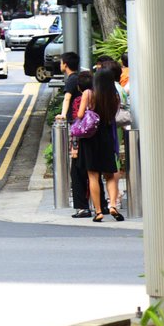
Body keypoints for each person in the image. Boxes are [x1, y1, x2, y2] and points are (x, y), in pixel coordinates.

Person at [75, 66, 123, 222]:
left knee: (93, 176)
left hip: (90, 138)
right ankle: (113, 205)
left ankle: (98, 211)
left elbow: (81, 114)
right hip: (107, 136)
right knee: (109, 175)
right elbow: (113, 115)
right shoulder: (114, 97)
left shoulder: (89, 94)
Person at [58, 53, 102, 219]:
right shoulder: (97, 93)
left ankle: (83, 207)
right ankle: (100, 205)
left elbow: (68, 99)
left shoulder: (73, 82)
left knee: (78, 168)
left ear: (65, 64)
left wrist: (63, 114)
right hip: (92, 133)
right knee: (92, 170)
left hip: (79, 131)